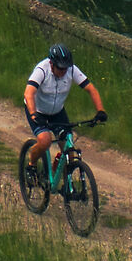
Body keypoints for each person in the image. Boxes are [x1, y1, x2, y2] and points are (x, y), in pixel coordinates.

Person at [23, 43, 104, 182]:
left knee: (70, 150)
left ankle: (52, 178)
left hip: (57, 112)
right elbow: (28, 93)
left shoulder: (71, 70)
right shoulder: (41, 70)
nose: (63, 71)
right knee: (45, 141)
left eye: (65, 68)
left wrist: (100, 110)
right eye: (60, 68)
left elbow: (91, 89)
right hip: (38, 111)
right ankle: (32, 165)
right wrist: (33, 114)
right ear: (52, 63)